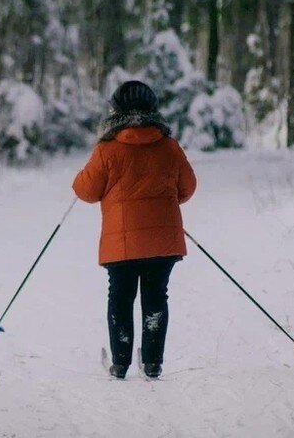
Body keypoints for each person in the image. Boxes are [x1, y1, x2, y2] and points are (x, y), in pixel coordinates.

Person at [72, 80, 198, 379]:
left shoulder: (107, 149)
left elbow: (86, 191)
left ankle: (120, 363)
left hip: (122, 244)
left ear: (115, 111)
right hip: (162, 241)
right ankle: (153, 362)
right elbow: (188, 187)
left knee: (120, 297)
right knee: (156, 297)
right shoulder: (169, 146)